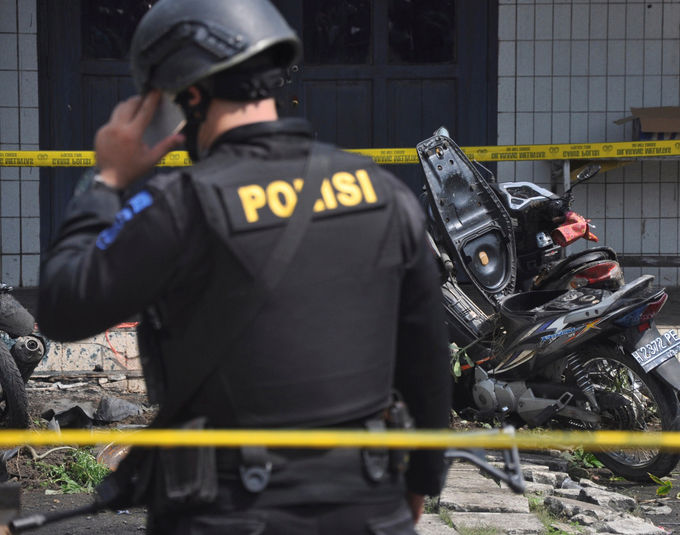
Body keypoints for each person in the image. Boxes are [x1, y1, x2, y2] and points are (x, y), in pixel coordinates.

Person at [37, 0, 451, 532]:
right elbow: (427, 363)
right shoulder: (381, 192)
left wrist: (106, 182)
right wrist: (419, 484)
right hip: (368, 508)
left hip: (226, 513)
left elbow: (61, 308)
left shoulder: (180, 204)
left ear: (188, 95)